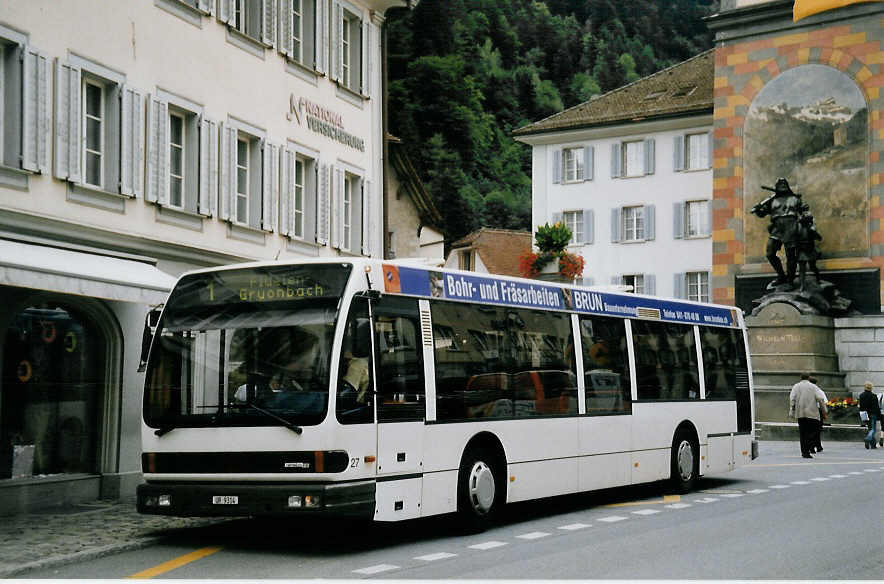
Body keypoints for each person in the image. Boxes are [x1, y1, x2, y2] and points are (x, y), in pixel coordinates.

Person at [750, 177, 805, 288]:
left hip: (791, 226)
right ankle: (781, 276)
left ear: (788, 185)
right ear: (776, 186)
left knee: (791, 256)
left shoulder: (795, 199)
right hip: (777, 227)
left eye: (784, 183)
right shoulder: (772, 200)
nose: (782, 185)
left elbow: (804, 212)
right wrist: (757, 210)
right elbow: (762, 214)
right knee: (770, 253)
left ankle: (790, 281)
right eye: (780, 184)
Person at [789, 373, 827, 458]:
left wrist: (792, 410)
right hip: (812, 413)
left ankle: (804, 451)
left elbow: (792, 398)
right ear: (809, 378)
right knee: (812, 432)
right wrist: (824, 410)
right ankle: (809, 447)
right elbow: (820, 399)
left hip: (800, 413)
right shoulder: (813, 387)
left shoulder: (796, 386)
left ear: (800, 378)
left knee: (802, 433)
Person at [795, 212, 822, 295]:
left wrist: (814, 232)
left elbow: (819, 238)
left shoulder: (811, 229)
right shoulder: (798, 229)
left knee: (812, 266)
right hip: (802, 251)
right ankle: (802, 285)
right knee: (802, 269)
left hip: (810, 250)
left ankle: (818, 278)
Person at [858, 381, 882, 450]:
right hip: (872, 414)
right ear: (871, 388)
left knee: (870, 428)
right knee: (873, 429)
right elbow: (876, 407)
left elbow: (861, 406)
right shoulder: (873, 396)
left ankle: (873, 445)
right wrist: (879, 416)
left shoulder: (861, 395)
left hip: (865, 414)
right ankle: (867, 438)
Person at [808, 376, 827, 453]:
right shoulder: (819, 391)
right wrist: (825, 412)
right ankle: (816, 446)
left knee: (811, 429)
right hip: (818, 411)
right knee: (817, 430)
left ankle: (816, 446)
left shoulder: (806, 391)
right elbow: (824, 402)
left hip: (808, 411)